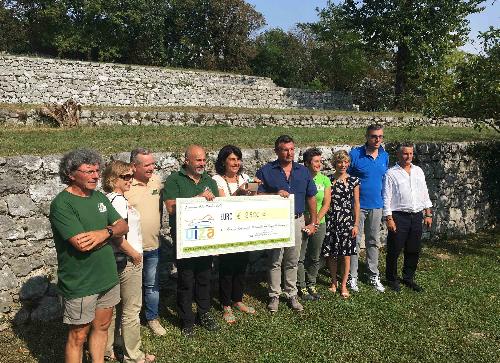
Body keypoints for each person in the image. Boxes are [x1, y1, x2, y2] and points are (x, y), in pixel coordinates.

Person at [49, 149, 128, 363]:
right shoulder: (62, 204)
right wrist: (110, 233)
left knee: (102, 327)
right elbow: (82, 244)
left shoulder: (99, 197)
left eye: (97, 170)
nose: (96, 176)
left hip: (107, 277)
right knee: (78, 336)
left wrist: (104, 232)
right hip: (81, 282)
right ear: (71, 174)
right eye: (89, 171)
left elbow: (122, 225)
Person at [163, 145, 220, 337]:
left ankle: (204, 313)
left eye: (204, 160)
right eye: (198, 160)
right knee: (186, 279)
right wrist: (197, 198)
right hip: (184, 238)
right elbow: (171, 208)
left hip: (205, 236)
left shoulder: (209, 181)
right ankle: (187, 319)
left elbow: (217, 208)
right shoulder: (174, 180)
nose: (202, 163)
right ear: (186, 161)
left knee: (205, 276)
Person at [256, 135, 318, 313]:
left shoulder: (303, 171)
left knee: (293, 259)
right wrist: (275, 194)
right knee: (275, 260)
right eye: (285, 149)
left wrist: (313, 221)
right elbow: (257, 195)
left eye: (292, 149)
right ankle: (274, 295)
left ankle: (292, 293)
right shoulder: (266, 171)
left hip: (297, 219)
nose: (289, 153)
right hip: (276, 221)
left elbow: (311, 196)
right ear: (276, 151)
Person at [102, 161, 155, 363]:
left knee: (113, 308)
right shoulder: (118, 201)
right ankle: (133, 355)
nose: (130, 180)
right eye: (125, 177)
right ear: (112, 179)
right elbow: (117, 234)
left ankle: (109, 349)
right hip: (127, 259)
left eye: (131, 176)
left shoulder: (110, 199)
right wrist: (134, 254)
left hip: (115, 259)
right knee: (131, 310)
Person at [212, 145, 257, 324]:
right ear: (223, 161)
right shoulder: (217, 180)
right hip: (227, 230)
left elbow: (252, 198)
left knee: (241, 265)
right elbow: (223, 203)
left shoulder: (245, 178)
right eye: (232, 159)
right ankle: (225, 304)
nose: (236, 163)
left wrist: (254, 188)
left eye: (238, 159)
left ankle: (237, 299)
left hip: (244, 229)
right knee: (227, 267)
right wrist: (240, 191)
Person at [125, 148, 165, 336]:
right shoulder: (125, 185)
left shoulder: (156, 181)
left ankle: (152, 318)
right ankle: (129, 323)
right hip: (131, 249)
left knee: (151, 286)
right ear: (134, 166)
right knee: (130, 290)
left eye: (152, 163)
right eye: (147, 164)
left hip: (153, 245)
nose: (152, 167)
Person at [383, 143, 433, 292]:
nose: (408, 156)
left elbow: (424, 193)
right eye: (405, 154)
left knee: (413, 249)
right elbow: (386, 197)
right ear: (398, 155)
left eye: (411, 154)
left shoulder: (418, 171)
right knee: (395, 249)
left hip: (416, 215)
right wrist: (389, 218)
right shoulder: (391, 173)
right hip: (399, 216)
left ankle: (408, 277)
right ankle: (391, 278)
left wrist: (428, 213)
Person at [348, 124, 389, 293]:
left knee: (373, 241)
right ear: (367, 136)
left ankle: (373, 274)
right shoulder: (355, 154)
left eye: (380, 136)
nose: (377, 139)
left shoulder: (384, 155)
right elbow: (347, 177)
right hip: (357, 206)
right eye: (373, 136)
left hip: (377, 205)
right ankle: (353, 276)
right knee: (355, 243)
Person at [322, 150, 360, 299]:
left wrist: (356, 224)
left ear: (348, 163)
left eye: (345, 162)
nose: (343, 165)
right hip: (332, 220)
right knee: (331, 254)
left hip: (347, 222)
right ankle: (333, 281)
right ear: (334, 164)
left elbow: (356, 204)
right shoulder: (328, 180)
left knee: (346, 255)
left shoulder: (354, 181)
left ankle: (344, 284)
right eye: (339, 162)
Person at [297, 148, 332, 301]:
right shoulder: (300, 179)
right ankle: (301, 286)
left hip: (319, 223)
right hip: (302, 223)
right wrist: (308, 220)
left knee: (315, 256)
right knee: (300, 256)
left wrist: (315, 221)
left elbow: (326, 203)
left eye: (320, 161)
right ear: (307, 163)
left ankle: (311, 283)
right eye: (316, 161)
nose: (320, 164)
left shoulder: (324, 180)